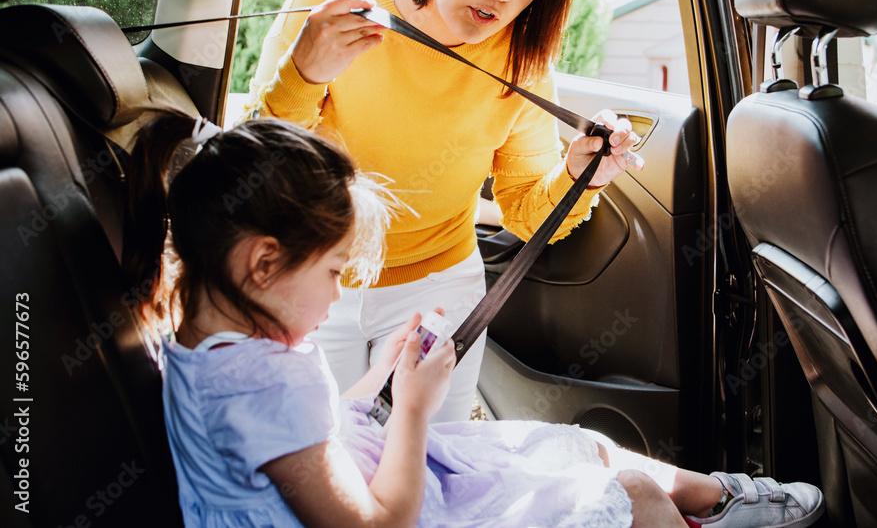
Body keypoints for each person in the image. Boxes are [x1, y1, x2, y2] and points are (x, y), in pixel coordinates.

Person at [125, 112, 824, 527]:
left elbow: (307, 432)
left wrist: (377, 378)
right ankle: (712, 505)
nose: (339, 298)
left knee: (578, 446)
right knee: (631, 494)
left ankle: (720, 497)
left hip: (379, 473)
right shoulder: (259, 382)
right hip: (398, 507)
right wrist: (415, 410)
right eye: (335, 272)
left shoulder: (211, 345)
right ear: (262, 264)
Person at [241, 0, 643, 423]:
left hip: (437, 289)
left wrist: (580, 175)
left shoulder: (522, 59)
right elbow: (260, 170)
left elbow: (527, 211)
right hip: (309, 272)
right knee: (316, 464)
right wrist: (302, 75)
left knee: (434, 470)